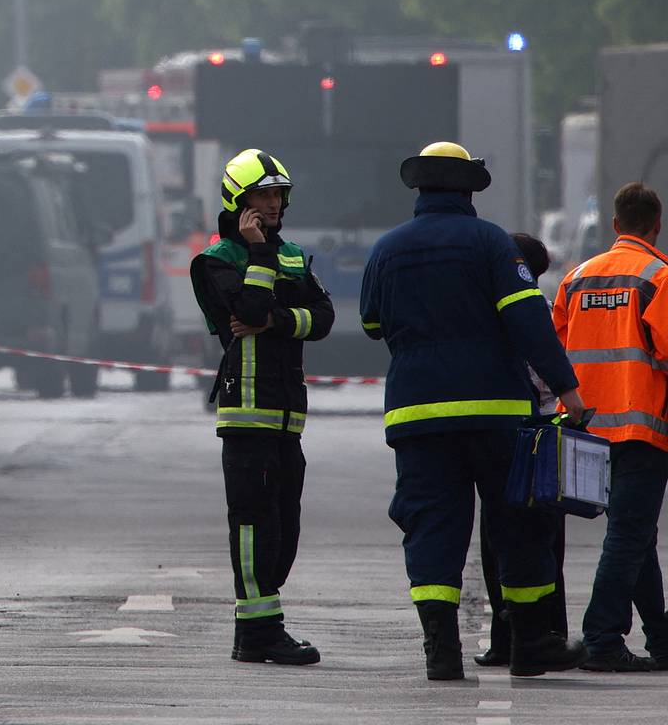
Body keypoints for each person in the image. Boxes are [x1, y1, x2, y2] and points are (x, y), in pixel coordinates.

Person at [359, 141, 587, 680]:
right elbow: (529, 320)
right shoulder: (492, 244)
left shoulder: (387, 250)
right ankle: (530, 645)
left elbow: (372, 324)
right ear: (467, 189)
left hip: (417, 416)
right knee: (517, 526)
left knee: (431, 527)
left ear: (420, 188)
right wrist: (568, 390)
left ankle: (441, 651)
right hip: (496, 413)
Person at [189, 148, 334, 666]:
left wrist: (275, 321)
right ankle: (257, 632)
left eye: (278, 194)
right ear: (238, 200)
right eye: (263, 194)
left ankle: (261, 622)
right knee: (254, 523)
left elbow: (322, 319)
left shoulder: (292, 253)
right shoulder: (215, 260)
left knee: (286, 525)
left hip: (287, 415)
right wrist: (259, 257)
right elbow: (245, 307)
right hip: (246, 411)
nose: (274, 203)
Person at [552, 181, 668, 672]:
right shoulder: (659, 277)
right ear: (656, 226)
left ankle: (662, 639)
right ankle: (602, 638)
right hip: (641, 430)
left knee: (633, 535)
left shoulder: (576, 278)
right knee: (629, 533)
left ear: (615, 225)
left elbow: (552, 349)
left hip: (584, 431)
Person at [473, 232, 569, 667]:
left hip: (498, 429)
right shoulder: (538, 311)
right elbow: (550, 373)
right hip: (541, 429)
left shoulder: (482, 311)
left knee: (495, 537)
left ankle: (502, 637)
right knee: (542, 537)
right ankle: (547, 633)